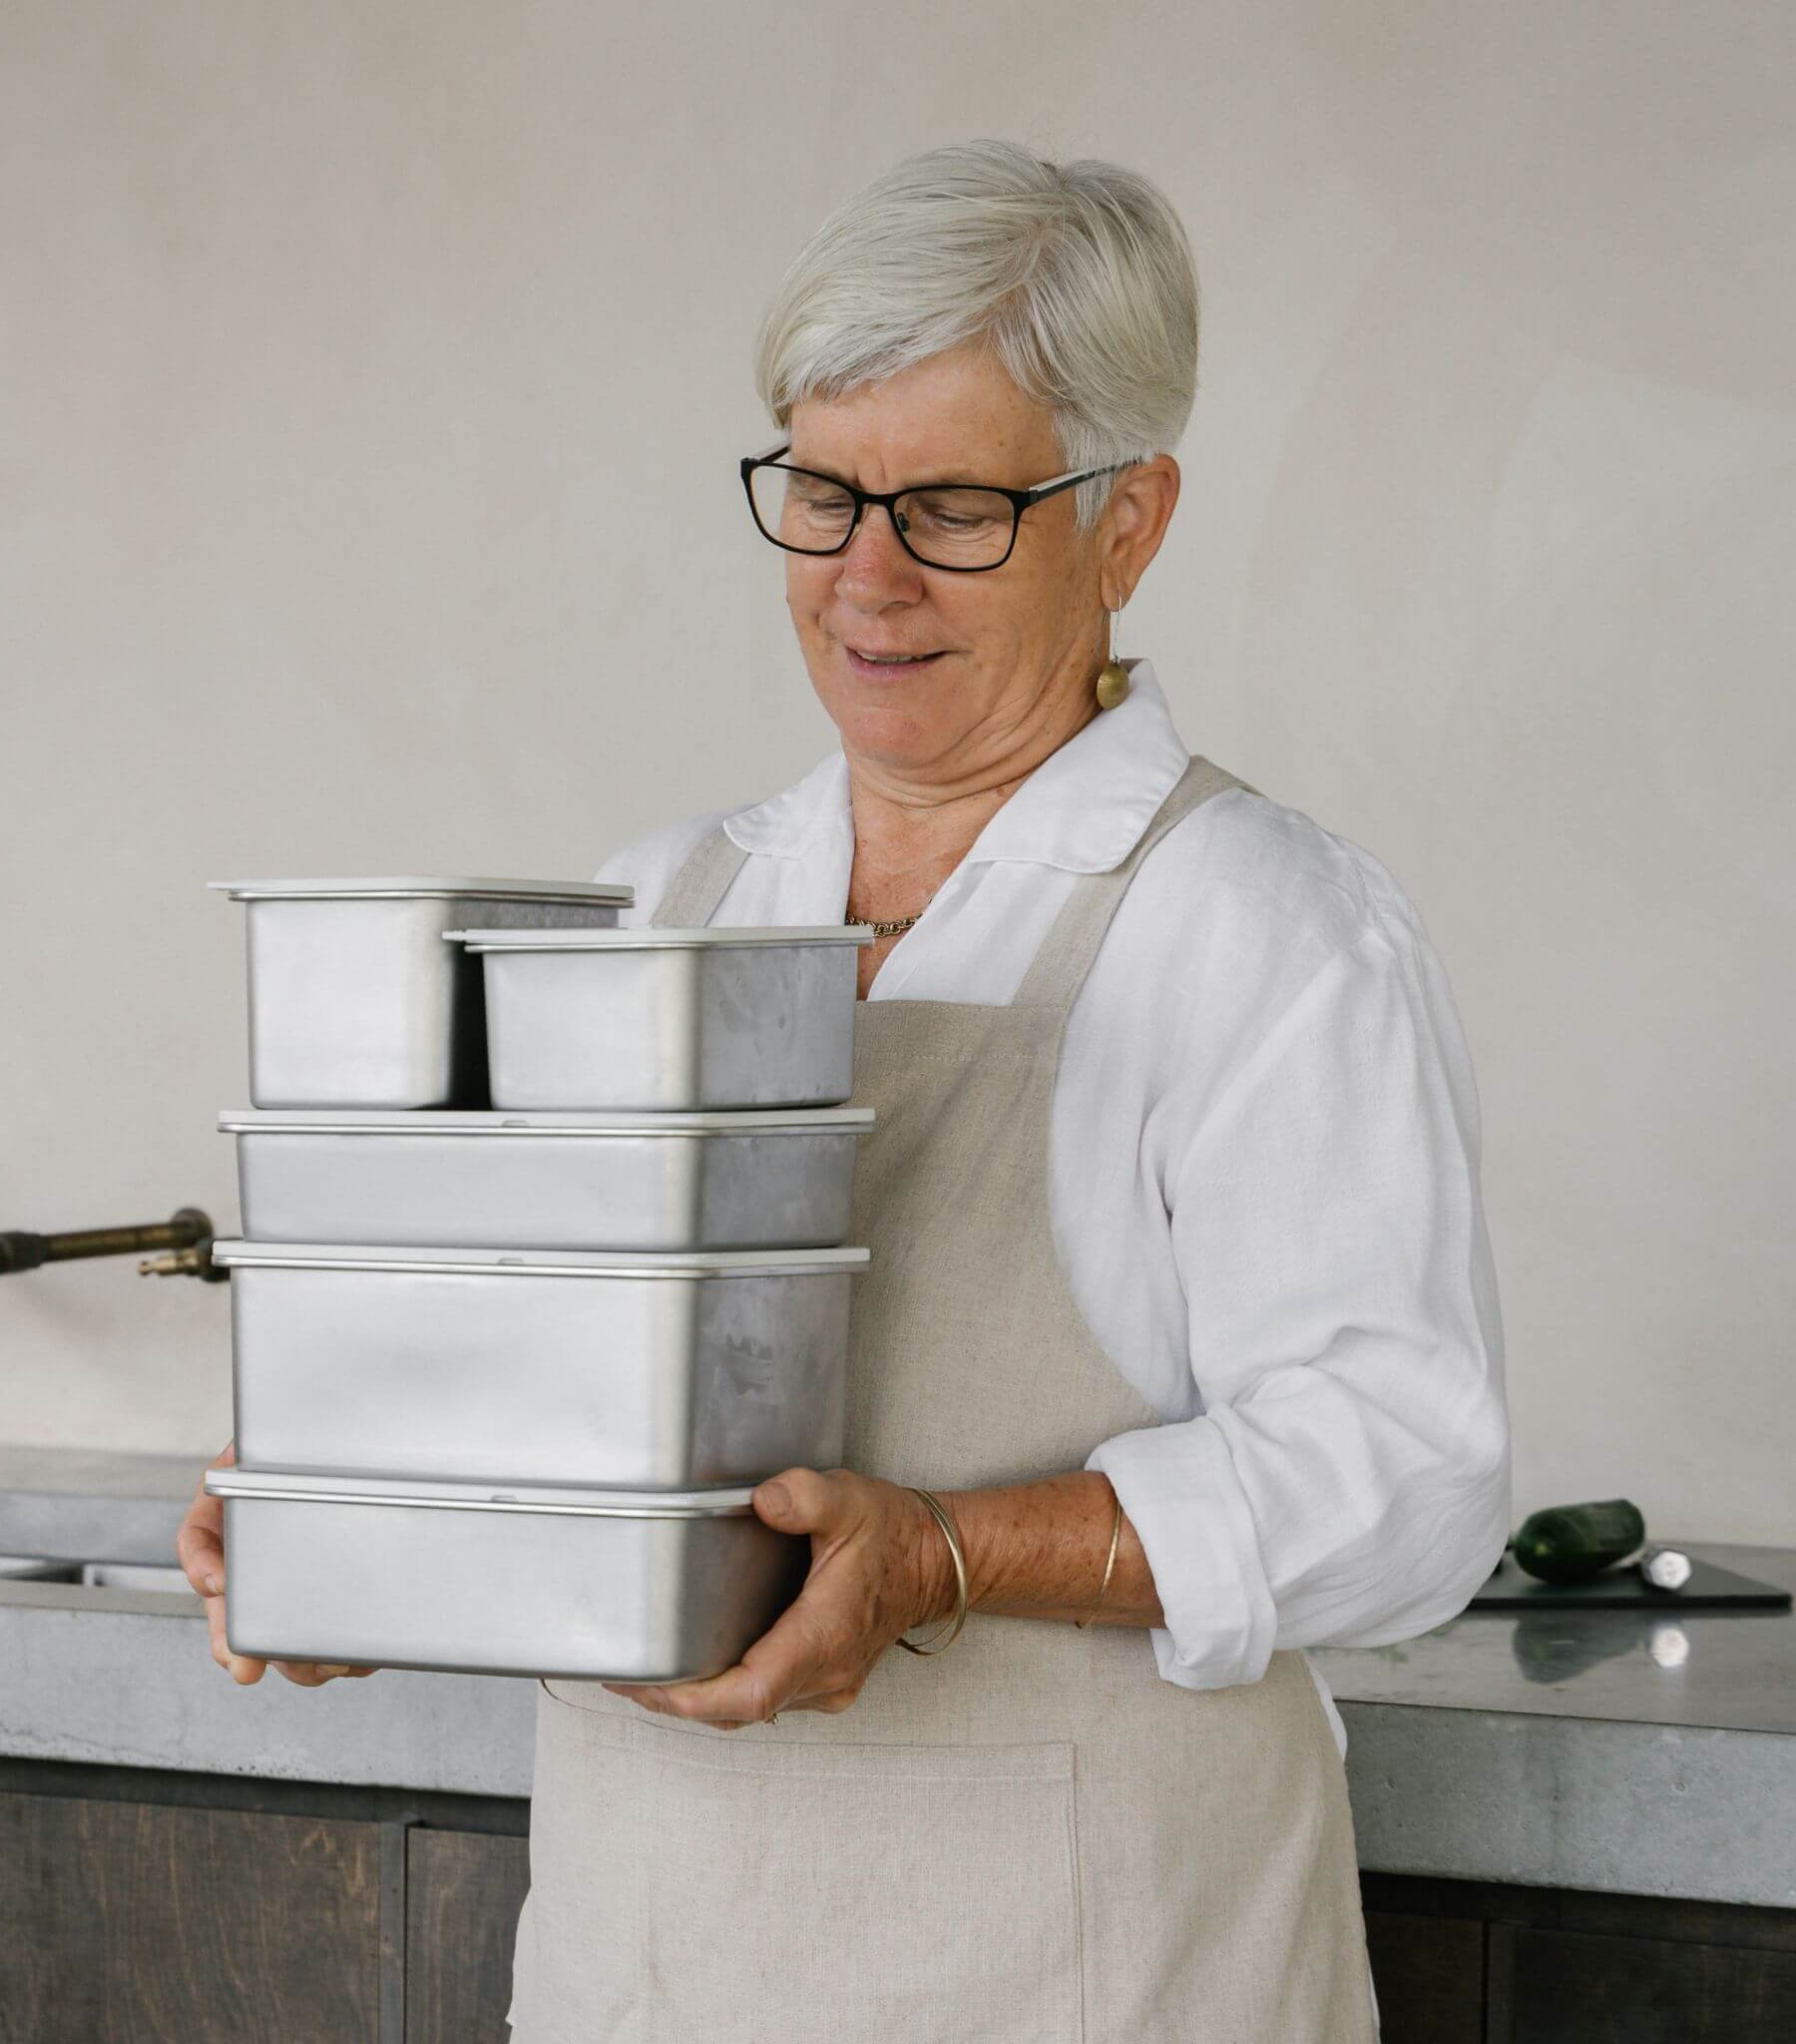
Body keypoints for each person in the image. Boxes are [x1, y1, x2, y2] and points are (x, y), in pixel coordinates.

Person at [180, 139, 1511, 2040]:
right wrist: (349, 1522)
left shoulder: (1264, 935)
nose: (865, 576)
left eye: (954, 505)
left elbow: (1410, 1475)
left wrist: (951, 1555)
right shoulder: (653, 906)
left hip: (1093, 1982)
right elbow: (528, 1389)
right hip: (649, 1973)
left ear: (1129, 522)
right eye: (822, 492)